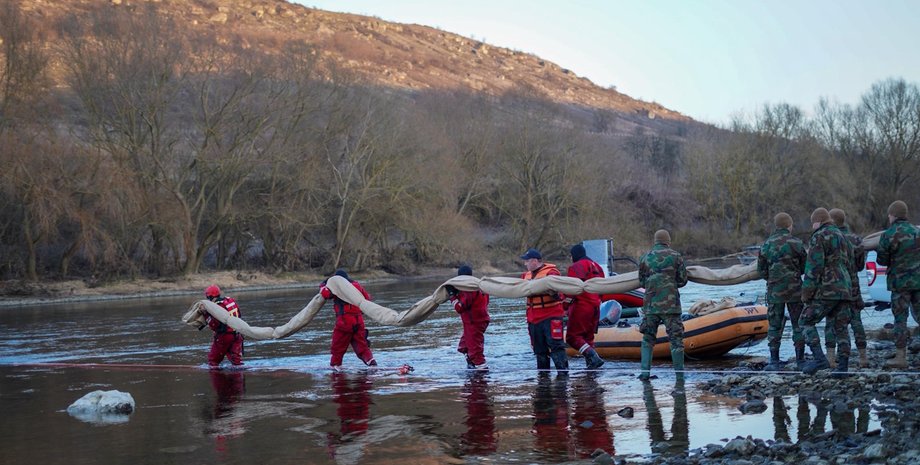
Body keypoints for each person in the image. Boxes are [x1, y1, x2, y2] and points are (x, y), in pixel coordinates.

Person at [799, 208, 853, 376]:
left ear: (818, 221)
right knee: (841, 327)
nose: (811, 226)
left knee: (805, 321)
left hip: (827, 289)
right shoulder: (843, 236)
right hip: (844, 287)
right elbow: (850, 263)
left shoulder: (819, 236)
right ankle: (842, 368)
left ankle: (819, 359)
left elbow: (814, 268)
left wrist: (806, 292)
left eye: (812, 223)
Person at [757, 212, 807, 371]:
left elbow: (761, 271)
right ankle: (800, 360)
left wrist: (772, 278)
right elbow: (804, 268)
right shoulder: (797, 243)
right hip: (795, 290)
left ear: (776, 226)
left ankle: (774, 361)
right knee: (798, 324)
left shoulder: (766, 245)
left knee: (774, 325)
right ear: (789, 226)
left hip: (774, 290)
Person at [637, 230, 688, 380]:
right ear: (668, 241)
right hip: (670, 305)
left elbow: (642, 282)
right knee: (676, 339)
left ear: (655, 241)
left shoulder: (644, 258)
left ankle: (645, 373)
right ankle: (679, 376)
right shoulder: (676, 256)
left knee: (648, 338)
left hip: (650, 305)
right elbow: (682, 280)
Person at [876, 200, 920, 369]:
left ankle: (901, 357)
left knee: (900, 320)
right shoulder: (917, 232)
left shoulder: (889, 234)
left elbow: (882, 260)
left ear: (892, 215)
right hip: (918, 281)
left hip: (899, 284)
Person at [825, 208, 869, 368]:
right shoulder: (856, 239)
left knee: (831, 321)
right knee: (856, 320)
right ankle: (863, 357)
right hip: (853, 285)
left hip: (833, 286)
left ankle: (831, 358)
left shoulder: (828, 238)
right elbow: (860, 266)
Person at [520, 248, 569, 371]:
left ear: (535, 261)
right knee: (539, 350)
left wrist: (554, 293)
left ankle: (563, 375)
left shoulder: (552, 273)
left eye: (527, 261)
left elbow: (561, 293)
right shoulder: (525, 276)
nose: (525, 264)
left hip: (551, 316)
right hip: (533, 318)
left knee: (556, 347)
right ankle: (543, 377)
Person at [320, 269, 377, 371]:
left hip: (344, 322)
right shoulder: (356, 285)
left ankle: (335, 366)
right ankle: (371, 362)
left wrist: (323, 285)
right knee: (362, 345)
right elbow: (367, 299)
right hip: (359, 321)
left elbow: (326, 294)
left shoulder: (337, 287)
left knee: (337, 347)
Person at [565, 244, 606, 369]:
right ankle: (592, 368)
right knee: (588, 338)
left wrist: (564, 307)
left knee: (572, 337)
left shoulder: (576, 267)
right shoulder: (598, 267)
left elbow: (571, 289)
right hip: (596, 306)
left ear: (574, 255)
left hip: (582, 305)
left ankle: (593, 357)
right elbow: (603, 287)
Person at [447, 265, 490, 370]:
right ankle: (472, 366)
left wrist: (452, 295)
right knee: (464, 346)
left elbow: (459, 307)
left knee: (475, 352)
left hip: (473, 323)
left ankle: (481, 375)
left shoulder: (468, 290)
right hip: (478, 321)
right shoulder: (479, 286)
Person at [204, 285, 244, 368]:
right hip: (237, 334)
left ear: (209, 296)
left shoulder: (216, 307)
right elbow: (239, 315)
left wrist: (206, 315)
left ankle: (218, 378)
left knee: (213, 361)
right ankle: (239, 378)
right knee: (237, 362)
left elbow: (214, 325)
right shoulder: (230, 300)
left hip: (224, 336)